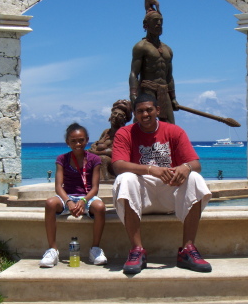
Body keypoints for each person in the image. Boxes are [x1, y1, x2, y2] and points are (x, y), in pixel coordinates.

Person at [111, 94, 212, 274]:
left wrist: (185, 167)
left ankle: (187, 250)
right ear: (135, 113)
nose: (145, 114)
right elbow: (118, 166)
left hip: (169, 194)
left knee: (195, 178)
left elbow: (196, 164)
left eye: (149, 109)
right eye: (140, 111)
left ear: (158, 110)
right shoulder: (125, 133)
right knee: (125, 178)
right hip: (142, 196)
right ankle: (137, 250)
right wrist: (152, 170)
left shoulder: (174, 131)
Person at [39, 123, 107, 267]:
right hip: (67, 196)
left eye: (81, 140)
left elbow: (95, 188)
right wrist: (69, 202)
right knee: (50, 203)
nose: (78, 143)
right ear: (67, 142)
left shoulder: (95, 159)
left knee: (100, 207)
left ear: (87, 140)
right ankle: (52, 250)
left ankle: (95, 249)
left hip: (87, 197)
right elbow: (58, 186)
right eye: (73, 141)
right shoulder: (61, 159)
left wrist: (83, 201)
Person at [129, 0, 179, 124]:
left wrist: (173, 97)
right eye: (155, 21)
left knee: (170, 125)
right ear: (146, 25)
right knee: (142, 123)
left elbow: (169, 76)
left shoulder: (168, 50)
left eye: (161, 22)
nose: (158, 24)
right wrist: (133, 95)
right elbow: (134, 73)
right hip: (147, 89)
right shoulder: (141, 47)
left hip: (164, 91)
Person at [88, 99, 132, 180]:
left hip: (115, 162)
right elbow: (98, 143)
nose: (116, 116)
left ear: (124, 120)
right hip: (100, 156)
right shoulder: (106, 132)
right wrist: (93, 147)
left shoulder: (123, 133)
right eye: (114, 113)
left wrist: (97, 152)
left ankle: (105, 180)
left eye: (120, 115)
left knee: (102, 159)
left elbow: (116, 151)